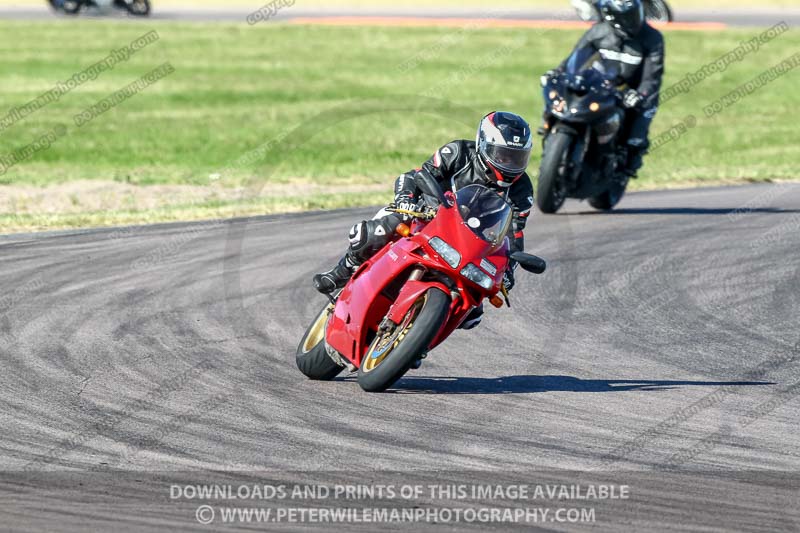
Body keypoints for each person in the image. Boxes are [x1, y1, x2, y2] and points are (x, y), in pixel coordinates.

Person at [313, 111, 535, 329]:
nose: (510, 164)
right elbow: (414, 176)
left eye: (517, 158)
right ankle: (343, 270)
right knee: (372, 233)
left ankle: (421, 339)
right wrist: (405, 201)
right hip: (427, 216)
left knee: (472, 315)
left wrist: (508, 270)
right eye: (502, 155)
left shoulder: (522, 189)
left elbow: (513, 233)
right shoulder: (458, 152)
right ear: (484, 145)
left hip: (469, 242)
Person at [544, 0, 664, 178]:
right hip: (600, 85)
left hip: (633, 91)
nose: (633, 20)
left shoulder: (652, 38)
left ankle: (629, 161)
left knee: (636, 133)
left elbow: (652, 77)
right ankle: (550, 129)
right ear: (612, 17)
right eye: (627, 17)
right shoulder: (598, 31)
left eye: (634, 14)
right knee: (562, 94)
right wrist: (557, 72)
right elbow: (574, 57)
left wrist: (641, 94)